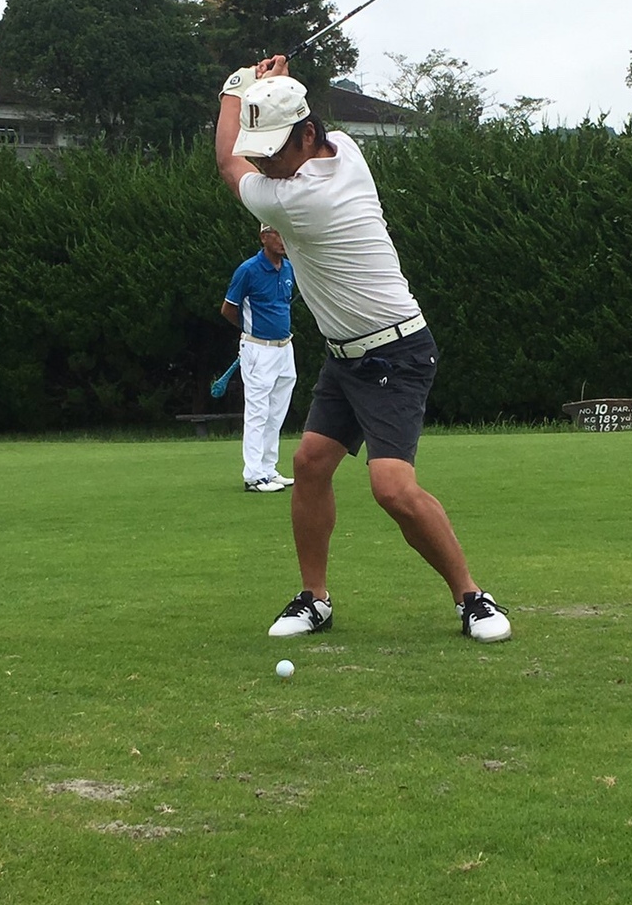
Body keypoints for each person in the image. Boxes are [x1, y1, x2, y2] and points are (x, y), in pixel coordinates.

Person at [214, 55, 511, 644]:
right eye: (262, 152)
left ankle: (472, 597)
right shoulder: (346, 148)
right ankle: (315, 599)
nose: (266, 163)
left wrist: (235, 87)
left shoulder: (296, 200)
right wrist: (270, 87)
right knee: (309, 465)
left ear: (307, 135)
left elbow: (227, 159)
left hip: (397, 351)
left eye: (274, 151)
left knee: (392, 488)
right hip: (345, 355)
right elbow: (256, 147)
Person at [220, 223, 297, 493]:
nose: (283, 240)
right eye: (277, 233)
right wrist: (251, 331)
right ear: (264, 237)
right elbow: (228, 308)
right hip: (258, 349)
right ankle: (253, 475)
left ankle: (268, 469)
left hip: (285, 347)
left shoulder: (288, 268)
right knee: (257, 412)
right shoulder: (248, 270)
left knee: (276, 412)